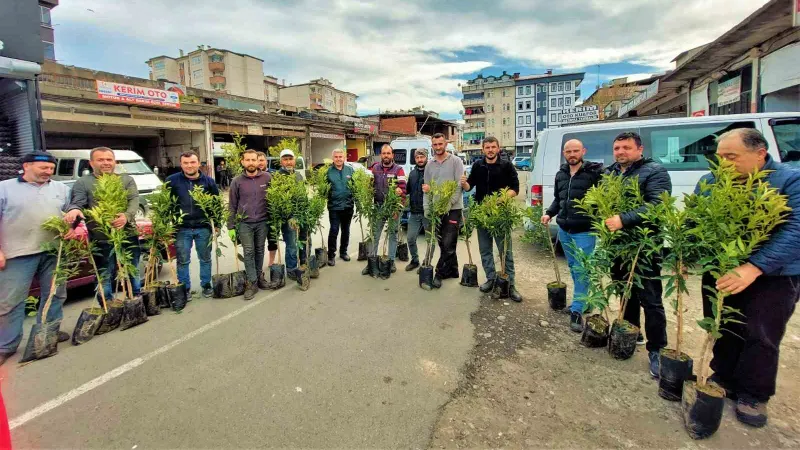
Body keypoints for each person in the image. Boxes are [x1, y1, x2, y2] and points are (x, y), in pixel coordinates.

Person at [697, 128, 800, 428]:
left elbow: (795, 230)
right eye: (720, 157)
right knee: (723, 324)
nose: (724, 164)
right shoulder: (711, 182)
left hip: (774, 274)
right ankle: (724, 375)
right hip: (722, 268)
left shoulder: (789, 181)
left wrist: (755, 266)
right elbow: (696, 221)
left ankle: (754, 394)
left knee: (762, 334)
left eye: (732, 157)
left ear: (760, 154)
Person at [603, 131, 671, 378]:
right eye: (617, 148)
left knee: (651, 299)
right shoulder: (610, 173)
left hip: (644, 245)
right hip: (618, 245)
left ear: (639, 149)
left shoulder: (654, 171)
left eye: (626, 148)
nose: (621, 152)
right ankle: (633, 334)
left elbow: (658, 205)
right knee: (624, 293)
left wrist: (624, 219)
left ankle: (657, 349)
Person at [0, 152, 72, 366]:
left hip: (54, 251)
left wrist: (72, 228)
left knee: (55, 294)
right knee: (10, 301)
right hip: (17, 253)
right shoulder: (4, 188)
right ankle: (6, 345)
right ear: (26, 166)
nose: (48, 172)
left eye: (51, 168)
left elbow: (72, 214)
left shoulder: (62, 189)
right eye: (43, 168)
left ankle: (48, 330)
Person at [63, 147, 141, 305]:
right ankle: (108, 305)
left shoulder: (126, 180)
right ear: (91, 163)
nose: (106, 163)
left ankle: (136, 299)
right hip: (101, 238)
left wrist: (126, 216)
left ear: (114, 162)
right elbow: (77, 203)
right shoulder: (83, 182)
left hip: (127, 235)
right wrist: (74, 214)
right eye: (101, 160)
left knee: (133, 268)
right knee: (105, 273)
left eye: (109, 159)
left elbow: (133, 200)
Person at [542, 139, 603, 332]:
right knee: (573, 266)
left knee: (581, 270)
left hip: (584, 231)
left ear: (583, 151)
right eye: (568, 151)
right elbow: (559, 199)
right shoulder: (561, 174)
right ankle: (584, 302)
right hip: (565, 230)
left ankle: (577, 310)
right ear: (564, 153)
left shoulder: (594, 173)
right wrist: (549, 213)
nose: (572, 154)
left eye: (576, 151)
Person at [461, 137, 522, 302]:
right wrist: (464, 183)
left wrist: (500, 199)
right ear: (482, 149)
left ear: (498, 148)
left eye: (493, 147)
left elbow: (515, 189)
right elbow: (470, 187)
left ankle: (511, 284)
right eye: (487, 147)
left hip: (500, 215)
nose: (490, 150)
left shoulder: (507, 166)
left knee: (505, 251)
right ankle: (491, 278)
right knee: (485, 250)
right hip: (482, 215)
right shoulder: (477, 165)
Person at [166, 151, 220, 300]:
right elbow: (166, 204)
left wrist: (217, 224)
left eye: (192, 162)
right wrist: (165, 226)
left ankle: (206, 285)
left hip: (203, 227)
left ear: (198, 163)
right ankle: (185, 288)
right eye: (186, 163)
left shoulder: (209, 182)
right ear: (181, 164)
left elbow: (216, 204)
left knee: (205, 258)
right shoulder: (172, 181)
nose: (189, 166)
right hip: (182, 228)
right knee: (183, 260)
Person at [227, 149, 272, 300]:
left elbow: (272, 200)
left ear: (258, 162)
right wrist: (231, 226)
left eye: (254, 160)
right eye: (248, 160)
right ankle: (252, 282)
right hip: (245, 223)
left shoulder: (267, 177)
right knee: (248, 251)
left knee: (259, 250)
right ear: (243, 162)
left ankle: (259, 277)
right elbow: (232, 205)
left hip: (263, 221)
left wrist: (274, 221)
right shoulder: (237, 181)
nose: (251, 163)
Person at [423, 133, 464, 288]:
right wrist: (427, 206)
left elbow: (458, 186)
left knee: (448, 243)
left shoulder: (456, 161)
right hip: (436, 209)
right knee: (443, 242)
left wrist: (450, 203)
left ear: (446, 144)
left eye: (441, 144)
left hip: (453, 209)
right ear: (432, 146)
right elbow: (426, 188)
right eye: (435, 144)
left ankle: (439, 274)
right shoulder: (429, 164)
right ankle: (453, 270)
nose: (438, 147)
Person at [363, 144, 406, 275]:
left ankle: (391, 262)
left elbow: (403, 190)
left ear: (392, 155)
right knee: (375, 235)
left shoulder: (399, 170)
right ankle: (371, 262)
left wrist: (397, 208)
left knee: (392, 235)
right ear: (381, 155)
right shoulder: (374, 168)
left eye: (388, 153)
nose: (386, 155)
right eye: (384, 153)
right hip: (379, 207)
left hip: (393, 207)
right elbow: (369, 186)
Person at [277, 149, 306, 278]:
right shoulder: (277, 177)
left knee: (303, 240)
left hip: (302, 214)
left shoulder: (299, 175)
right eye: (285, 159)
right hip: (288, 217)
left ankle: (303, 264)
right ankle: (291, 268)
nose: (288, 162)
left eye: (290, 159)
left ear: (294, 160)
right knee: (292, 244)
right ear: (281, 161)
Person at [326, 149, 354, 266]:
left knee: (346, 231)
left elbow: (355, 187)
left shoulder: (350, 170)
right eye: (336, 157)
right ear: (333, 158)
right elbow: (324, 189)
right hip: (334, 207)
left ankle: (343, 252)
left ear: (344, 158)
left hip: (348, 206)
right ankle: (331, 255)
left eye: (340, 156)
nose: (338, 159)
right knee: (334, 230)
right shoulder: (328, 172)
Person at [405, 148, 429, 272]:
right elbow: (407, 189)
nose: (420, 160)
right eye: (417, 157)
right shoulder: (413, 173)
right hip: (414, 212)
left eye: (422, 157)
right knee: (410, 238)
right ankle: (415, 260)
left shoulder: (431, 172)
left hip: (428, 212)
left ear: (426, 157)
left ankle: (427, 263)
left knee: (430, 240)